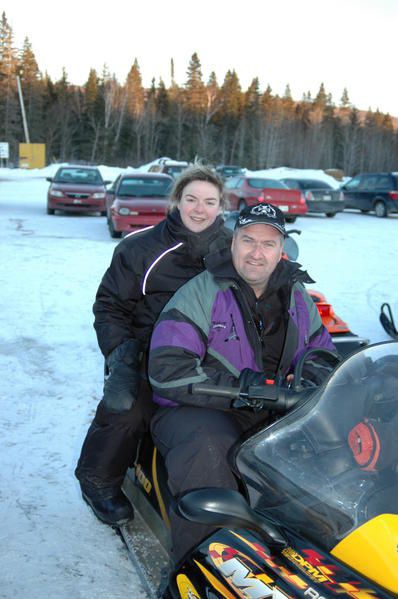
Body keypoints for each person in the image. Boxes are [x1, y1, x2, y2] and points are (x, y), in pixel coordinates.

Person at [148, 202, 337, 565]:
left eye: (268, 244)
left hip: (277, 408)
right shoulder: (201, 292)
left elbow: (323, 355)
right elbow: (168, 368)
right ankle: (199, 566)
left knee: (332, 448)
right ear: (233, 242)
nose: (256, 253)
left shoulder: (297, 296)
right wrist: (241, 389)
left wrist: (307, 385)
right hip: (203, 407)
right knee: (208, 449)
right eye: (248, 240)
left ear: (282, 250)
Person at [75, 165, 231, 526]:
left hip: (214, 356)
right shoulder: (142, 247)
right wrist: (122, 354)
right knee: (128, 407)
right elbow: (109, 305)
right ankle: (98, 478)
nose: (199, 209)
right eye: (191, 199)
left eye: (209, 201)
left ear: (221, 206)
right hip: (148, 353)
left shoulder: (235, 249)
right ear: (177, 201)